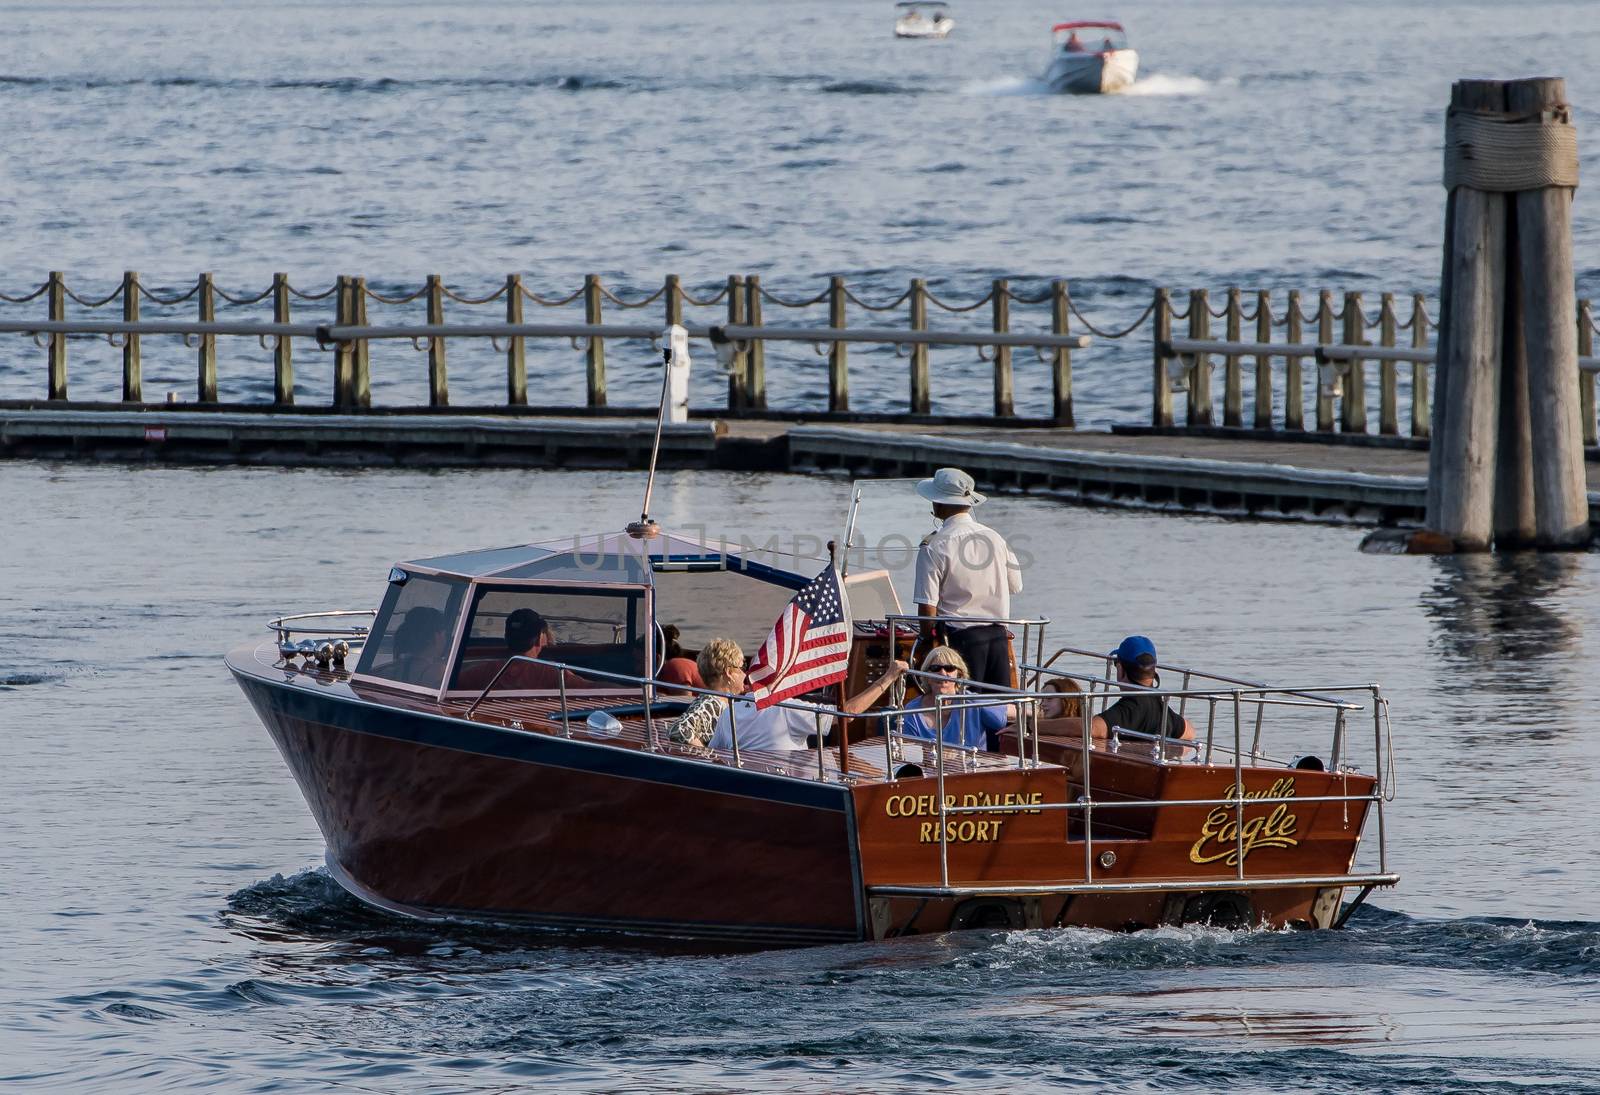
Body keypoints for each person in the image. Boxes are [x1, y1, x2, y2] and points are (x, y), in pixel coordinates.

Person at [912, 467, 1022, 695]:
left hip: (960, 640)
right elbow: (1016, 586)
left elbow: (927, 608)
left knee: (964, 709)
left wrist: (925, 643)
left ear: (938, 504)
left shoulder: (934, 545)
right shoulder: (995, 538)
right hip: (998, 637)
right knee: (998, 709)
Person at [710, 659, 908, 754]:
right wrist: (888, 677)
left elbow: (712, 752)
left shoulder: (729, 711)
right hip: (787, 787)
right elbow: (847, 714)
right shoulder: (783, 707)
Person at [899, 646, 1014, 751]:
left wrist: (1021, 725)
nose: (942, 673)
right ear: (926, 676)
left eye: (949, 668)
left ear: (959, 675)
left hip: (973, 771)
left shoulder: (973, 703)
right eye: (935, 668)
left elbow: (1022, 711)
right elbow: (911, 756)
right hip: (929, 771)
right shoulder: (912, 711)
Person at [1091, 635, 1196, 741]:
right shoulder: (1164, 712)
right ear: (1153, 671)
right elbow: (1190, 732)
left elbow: (1093, 728)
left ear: (1120, 669)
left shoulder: (1126, 711)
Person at [668, 638, 744, 748]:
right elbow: (680, 730)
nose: (744, 674)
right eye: (741, 668)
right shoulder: (711, 703)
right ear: (729, 673)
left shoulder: (720, 702)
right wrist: (708, 755)